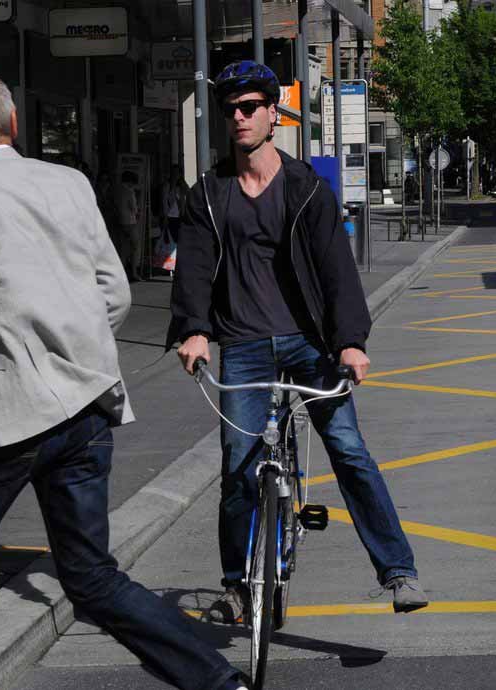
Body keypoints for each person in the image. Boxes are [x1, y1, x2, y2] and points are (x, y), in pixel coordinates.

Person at [0, 69, 248, 690]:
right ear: (13, 125)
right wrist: (80, 351)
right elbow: (113, 290)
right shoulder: (66, 181)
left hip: (9, 415)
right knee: (92, 578)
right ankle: (216, 680)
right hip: (89, 404)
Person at [168, 61, 429, 624]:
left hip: (307, 344)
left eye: (250, 108)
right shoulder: (208, 195)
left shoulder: (306, 189)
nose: (238, 118)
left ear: (272, 114)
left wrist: (351, 342)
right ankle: (238, 585)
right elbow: (191, 268)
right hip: (240, 344)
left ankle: (398, 572)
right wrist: (194, 329)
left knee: (349, 450)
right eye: (230, 109)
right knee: (238, 467)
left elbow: (337, 273)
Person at [115, 170, 142, 281]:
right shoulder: (130, 191)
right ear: (131, 181)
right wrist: (138, 210)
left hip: (120, 222)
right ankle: (134, 272)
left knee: (123, 249)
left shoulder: (117, 190)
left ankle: (121, 273)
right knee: (135, 247)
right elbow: (134, 208)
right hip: (130, 222)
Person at [160, 164, 188, 245]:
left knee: (180, 240)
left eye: (178, 173)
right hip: (170, 217)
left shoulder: (182, 186)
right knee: (171, 241)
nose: (176, 175)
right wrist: (165, 217)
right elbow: (165, 202)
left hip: (181, 216)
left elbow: (189, 196)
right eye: (174, 173)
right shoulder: (167, 186)